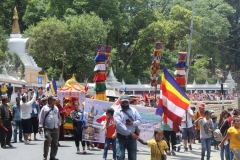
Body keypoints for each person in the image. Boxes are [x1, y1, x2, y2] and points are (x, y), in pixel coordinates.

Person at [114, 95, 141, 160]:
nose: (125, 104)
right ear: (120, 102)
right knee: (120, 156)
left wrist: (132, 123)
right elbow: (119, 124)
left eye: (126, 102)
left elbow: (139, 121)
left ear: (129, 102)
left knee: (132, 157)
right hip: (121, 137)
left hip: (132, 138)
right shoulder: (117, 111)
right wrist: (130, 132)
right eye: (123, 102)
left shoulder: (134, 110)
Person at [39, 95, 61, 160]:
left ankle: (52, 156)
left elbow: (58, 116)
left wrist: (59, 124)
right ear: (50, 100)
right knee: (47, 140)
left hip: (55, 127)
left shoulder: (56, 108)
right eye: (54, 100)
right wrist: (40, 126)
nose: (55, 101)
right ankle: (45, 156)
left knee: (55, 142)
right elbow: (41, 117)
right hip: (47, 127)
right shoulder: (44, 108)